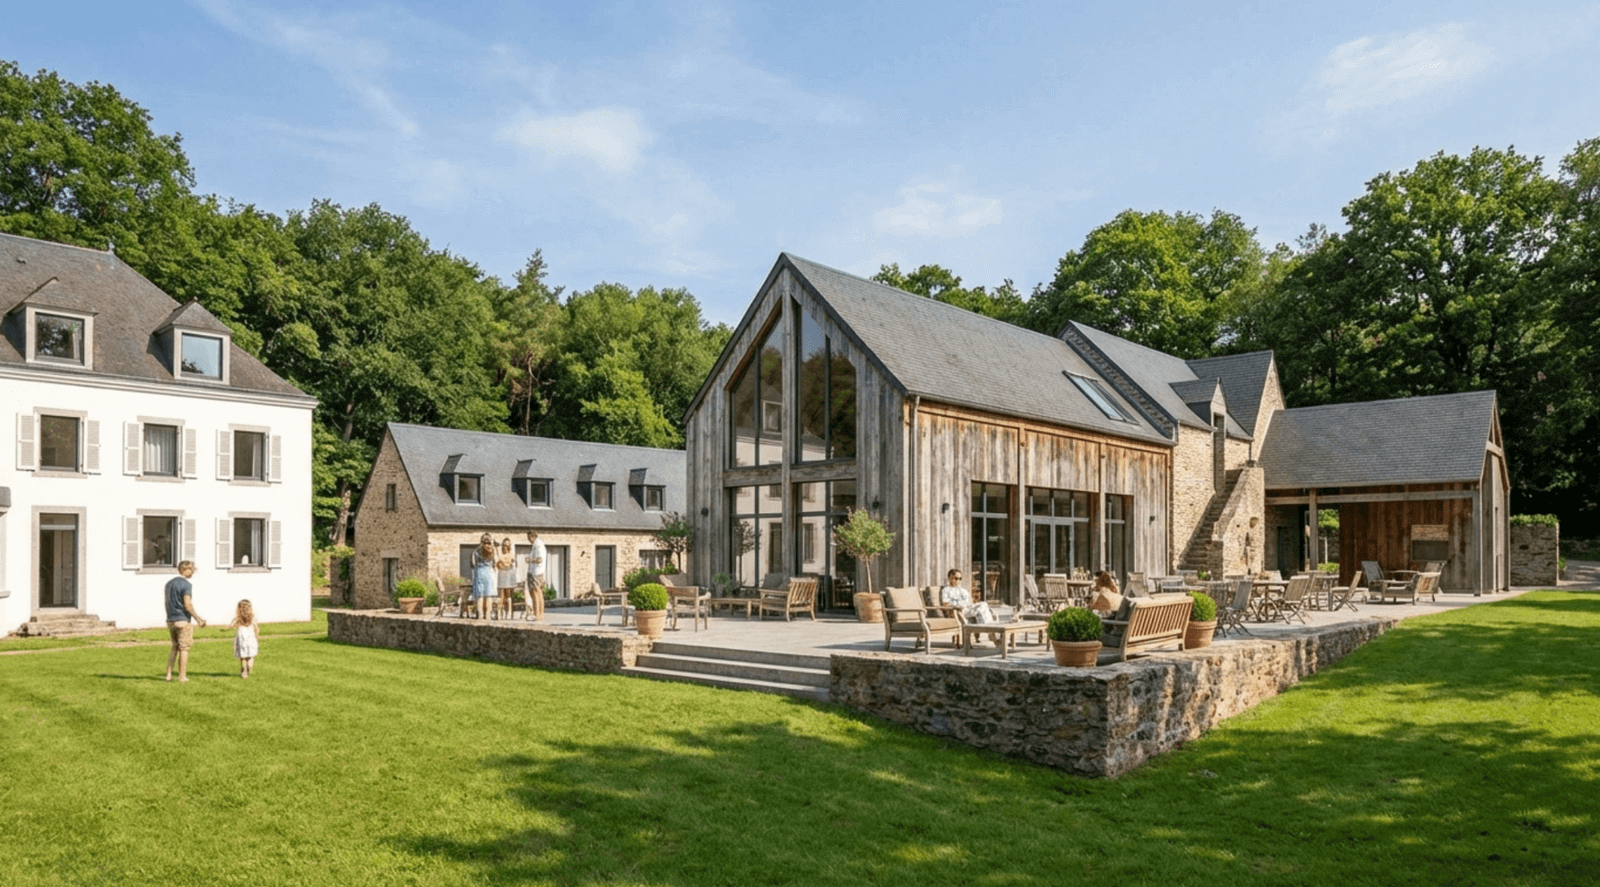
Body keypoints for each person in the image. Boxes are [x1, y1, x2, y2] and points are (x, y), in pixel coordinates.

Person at [163, 561, 206, 682]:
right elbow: (187, 604)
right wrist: (198, 619)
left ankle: (169, 674)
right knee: (184, 648)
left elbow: (167, 602)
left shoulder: (169, 584)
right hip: (182, 619)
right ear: (185, 569)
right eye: (191, 570)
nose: (192, 573)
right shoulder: (186, 585)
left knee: (174, 647)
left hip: (171, 619)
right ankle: (182, 676)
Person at [232, 599, 260, 678]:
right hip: (250, 639)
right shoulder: (252, 618)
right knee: (250, 656)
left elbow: (232, 625)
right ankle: (249, 668)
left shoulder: (238, 618)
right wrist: (257, 635)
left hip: (242, 640)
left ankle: (244, 672)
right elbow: (256, 628)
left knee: (243, 657)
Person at [471, 534, 496, 620]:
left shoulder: (476, 551)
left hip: (479, 572)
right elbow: (495, 562)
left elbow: (473, 563)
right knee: (488, 595)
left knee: (480, 595)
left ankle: (480, 614)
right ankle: (488, 614)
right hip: (489, 573)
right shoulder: (492, 550)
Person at [524, 530, 547, 621]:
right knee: (539, 593)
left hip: (536, 572)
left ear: (532, 536)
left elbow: (539, 559)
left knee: (535, 592)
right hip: (537, 572)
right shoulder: (538, 544)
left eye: (529, 537)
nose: (528, 540)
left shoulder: (538, 545)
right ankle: (539, 614)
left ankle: (537, 614)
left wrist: (530, 560)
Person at [495, 538, 518, 619]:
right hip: (501, 574)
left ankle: (509, 612)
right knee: (501, 595)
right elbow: (498, 563)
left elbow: (511, 564)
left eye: (507, 546)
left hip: (508, 574)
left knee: (508, 594)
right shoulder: (500, 554)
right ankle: (500, 612)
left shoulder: (511, 554)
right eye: (504, 545)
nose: (505, 547)